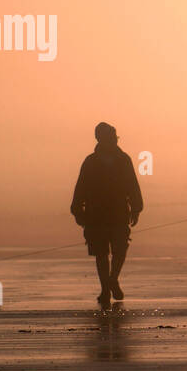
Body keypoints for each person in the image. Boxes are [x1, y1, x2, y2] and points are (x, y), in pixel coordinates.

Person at [71, 122, 143, 309]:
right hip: (96, 215)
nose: (112, 139)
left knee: (120, 249)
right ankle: (105, 288)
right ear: (100, 138)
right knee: (101, 254)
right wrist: (77, 209)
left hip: (119, 213)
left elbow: (132, 185)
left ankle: (112, 279)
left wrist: (136, 207)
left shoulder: (123, 159)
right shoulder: (90, 161)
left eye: (112, 136)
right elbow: (81, 187)